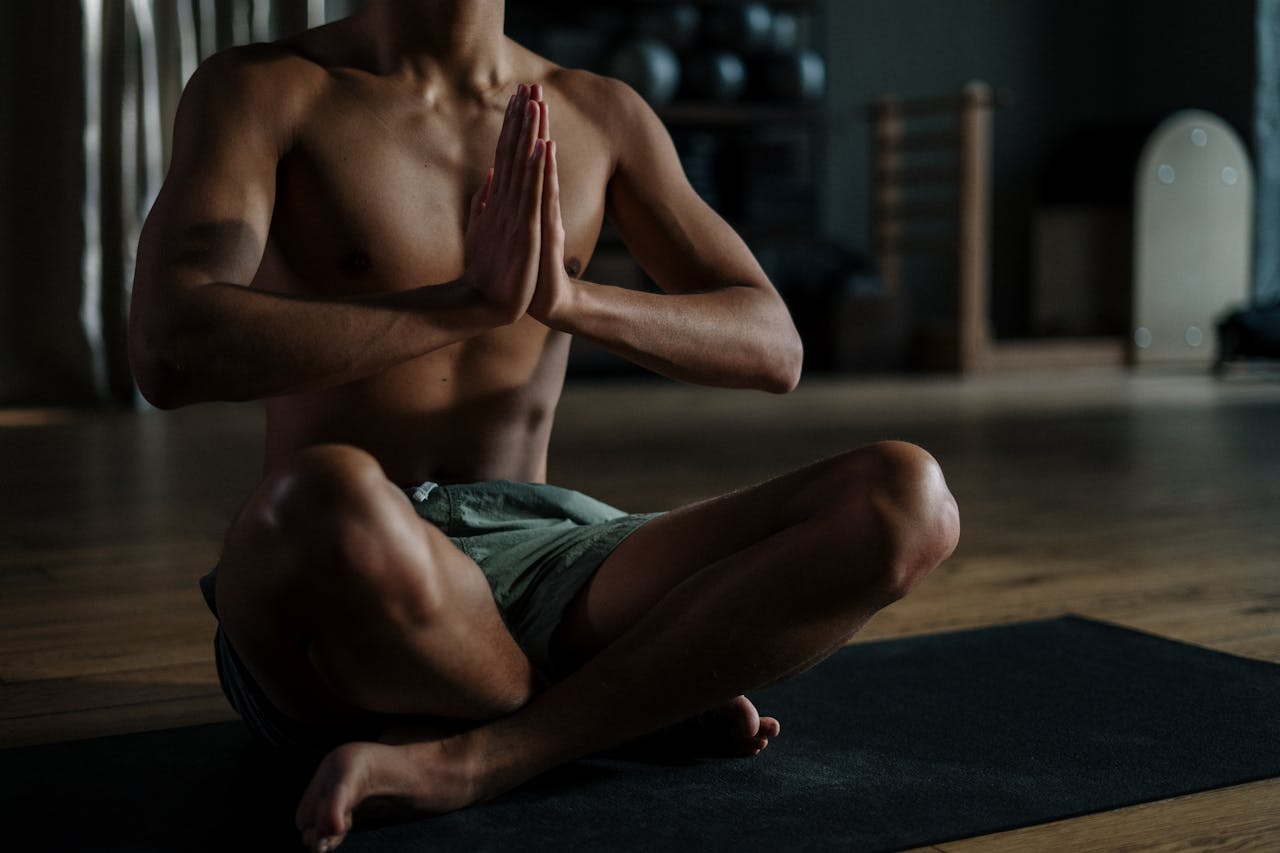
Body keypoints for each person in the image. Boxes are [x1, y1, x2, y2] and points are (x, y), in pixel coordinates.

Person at [128, 2, 960, 850]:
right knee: (321, 496)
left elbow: (772, 344)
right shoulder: (264, 89)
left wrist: (569, 299)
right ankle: (629, 706)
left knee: (904, 497)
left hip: (549, 553)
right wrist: (464, 305)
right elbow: (167, 348)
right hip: (343, 576)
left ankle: (492, 753)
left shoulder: (599, 111)